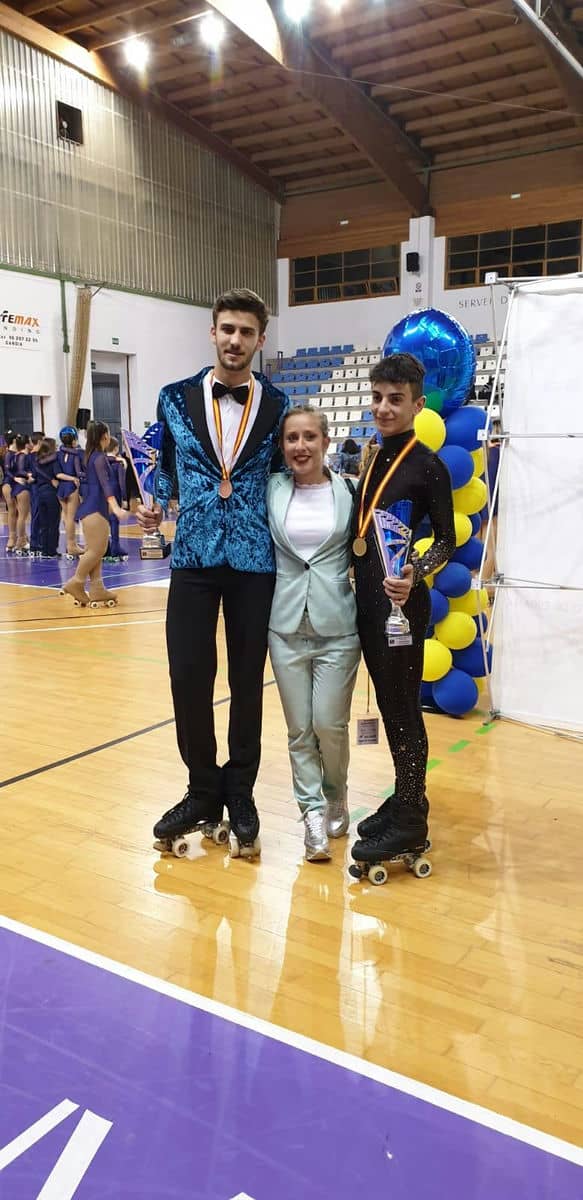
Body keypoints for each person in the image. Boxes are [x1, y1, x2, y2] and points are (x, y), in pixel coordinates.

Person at [138, 288, 289, 859]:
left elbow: (279, 478)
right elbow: (166, 470)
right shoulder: (172, 398)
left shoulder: (276, 403)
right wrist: (155, 502)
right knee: (188, 676)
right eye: (227, 329)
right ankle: (202, 787)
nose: (235, 340)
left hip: (254, 561)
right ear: (212, 332)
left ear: (259, 339)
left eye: (246, 332)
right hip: (193, 559)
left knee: (248, 682)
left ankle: (240, 790)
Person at [349, 353, 456, 872]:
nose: (384, 408)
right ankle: (406, 794)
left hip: (401, 607)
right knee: (390, 705)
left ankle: (411, 817)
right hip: (368, 603)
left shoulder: (426, 465)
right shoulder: (373, 455)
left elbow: (448, 540)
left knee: (404, 708)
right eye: (377, 398)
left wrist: (416, 567)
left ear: (418, 403)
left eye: (396, 400)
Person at [267, 407, 360, 862]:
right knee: (299, 729)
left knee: (329, 724)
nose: (299, 446)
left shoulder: (350, 491)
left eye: (308, 437)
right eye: (291, 438)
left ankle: (336, 791)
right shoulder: (271, 489)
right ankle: (310, 813)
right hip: (284, 627)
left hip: (338, 627)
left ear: (326, 441)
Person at [62, 421, 128, 606]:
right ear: (104, 437)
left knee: (96, 551)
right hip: (95, 510)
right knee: (97, 550)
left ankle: (97, 588)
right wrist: (115, 508)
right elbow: (106, 485)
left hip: (90, 509)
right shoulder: (98, 458)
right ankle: (76, 582)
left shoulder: (90, 456)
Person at [31, 437, 62, 558]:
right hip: (51, 492)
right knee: (53, 522)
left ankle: (44, 549)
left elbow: (34, 475)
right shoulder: (54, 460)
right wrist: (52, 480)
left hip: (40, 492)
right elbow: (56, 474)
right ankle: (52, 550)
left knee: (43, 523)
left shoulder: (37, 460)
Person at [56, 427, 84, 558]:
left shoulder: (58, 454)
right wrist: (75, 478)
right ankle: (72, 545)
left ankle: (69, 544)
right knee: (71, 518)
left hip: (61, 487)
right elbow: (79, 473)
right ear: (74, 440)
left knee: (66, 517)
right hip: (72, 487)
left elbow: (58, 473)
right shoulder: (76, 454)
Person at [105, 437, 127, 561]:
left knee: (104, 521)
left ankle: (105, 548)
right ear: (116, 448)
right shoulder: (118, 463)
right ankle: (115, 547)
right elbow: (121, 482)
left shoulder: (100, 461)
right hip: (115, 491)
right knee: (114, 521)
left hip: (102, 493)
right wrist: (124, 498)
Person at [11, 434, 32, 555]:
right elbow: (20, 470)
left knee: (21, 515)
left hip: (17, 487)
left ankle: (22, 538)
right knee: (23, 516)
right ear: (25, 444)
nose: (31, 443)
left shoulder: (16, 455)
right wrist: (29, 475)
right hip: (22, 487)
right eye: (29, 441)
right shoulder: (23, 456)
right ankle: (21, 541)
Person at [27, 431, 44, 557]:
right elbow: (35, 473)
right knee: (36, 514)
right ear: (38, 442)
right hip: (35, 488)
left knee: (41, 515)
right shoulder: (33, 456)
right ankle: (34, 544)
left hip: (40, 487)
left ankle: (40, 542)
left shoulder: (39, 455)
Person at [1, 431, 17, 553]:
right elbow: (7, 471)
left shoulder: (17, 453)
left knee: (19, 513)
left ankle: (21, 537)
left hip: (17, 484)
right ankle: (12, 538)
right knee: (12, 511)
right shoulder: (7, 454)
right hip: (9, 483)